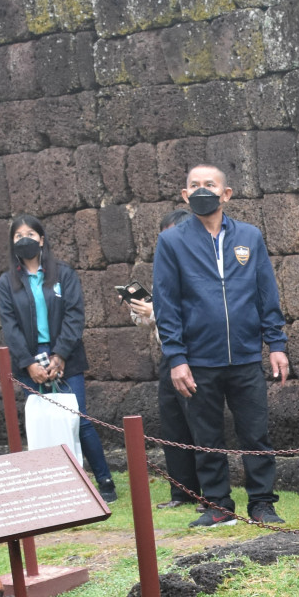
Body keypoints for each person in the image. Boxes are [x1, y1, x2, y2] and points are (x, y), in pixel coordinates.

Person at [152, 164, 291, 528]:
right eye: (194, 186)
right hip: (198, 360)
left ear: (225, 194)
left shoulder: (250, 236)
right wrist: (176, 358)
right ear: (184, 195)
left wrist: (275, 343)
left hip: (245, 356)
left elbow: (266, 293)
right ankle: (218, 505)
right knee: (206, 436)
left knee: (255, 434)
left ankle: (262, 503)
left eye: (209, 185)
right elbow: (167, 305)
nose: (202, 190)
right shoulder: (172, 242)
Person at [0, 215, 119, 502]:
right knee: (43, 420)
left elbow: (75, 315)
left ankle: (104, 480)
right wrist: (27, 363)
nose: (24, 239)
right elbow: (9, 325)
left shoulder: (63, 273)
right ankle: (52, 481)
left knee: (78, 418)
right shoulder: (7, 282)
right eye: (18, 236)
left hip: (66, 356)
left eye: (30, 234)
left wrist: (60, 355)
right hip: (29, 360)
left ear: (41, 238)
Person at [127, 209, 200, 508]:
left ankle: (209, 494)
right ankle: (180, 491)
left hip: (194, 356)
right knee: (173, 426)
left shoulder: (198, 269)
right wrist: (141, 311)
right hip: (168, 356)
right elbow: (151, 321)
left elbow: (192, 314)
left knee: (199, 426)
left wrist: (154, 311)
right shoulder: (165, 271)